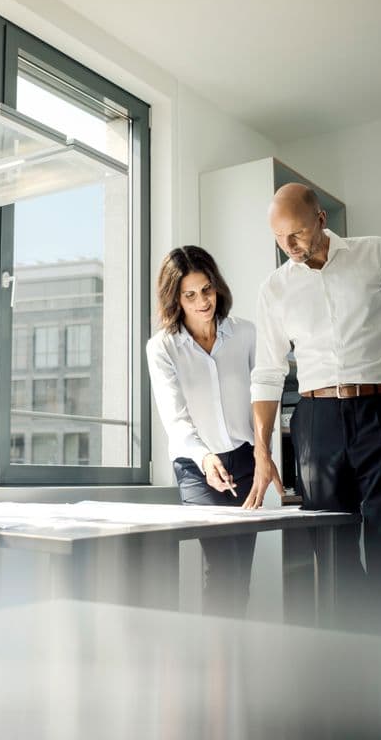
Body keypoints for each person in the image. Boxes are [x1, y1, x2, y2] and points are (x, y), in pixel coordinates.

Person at [247, 183, 381, 628]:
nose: (287, 247)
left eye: (295, 234)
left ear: (321, 219)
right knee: (331, 546)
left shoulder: (376, 253)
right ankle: (352, 656)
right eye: (277, 238)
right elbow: (268, 373)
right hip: (318, 422)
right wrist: (262, 448)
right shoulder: (274, 288)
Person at [146, 246, 259, 617]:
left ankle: (230, 657)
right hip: (196, 466)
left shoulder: (245, 333)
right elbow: (174, 417)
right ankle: (215, 662)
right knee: (223, 567)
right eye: (190, 295)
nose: (202, 302)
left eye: (207, 290)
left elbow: (263, 396)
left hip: (244, 461)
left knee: (240, 573)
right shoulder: (162, 348)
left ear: (217, 287)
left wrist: (264, 453)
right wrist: (205, 457)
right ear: (176, 298)